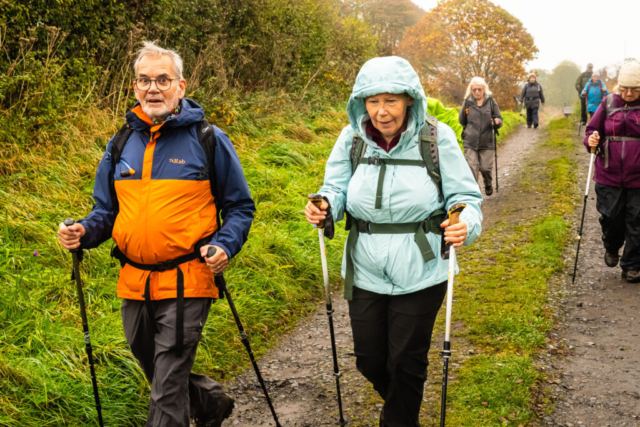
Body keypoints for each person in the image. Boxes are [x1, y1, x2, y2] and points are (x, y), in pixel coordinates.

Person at [57, 41, 256, 426]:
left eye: (163, 80)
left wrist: (224, 246)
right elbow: (106, 212)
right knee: (154, 364)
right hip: (135, 280)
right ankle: (209, 401)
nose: (153, 88)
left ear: (180, 86)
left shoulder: (208, 139)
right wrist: (83, 231)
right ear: (134, 88)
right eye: (144, 80)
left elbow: (239, 207)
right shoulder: (121, 144)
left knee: (165, 388)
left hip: (188, 279)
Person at [304, 56, 483, 427]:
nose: (381, 112)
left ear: (409, 100)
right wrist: (324, 206)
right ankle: (403, 407)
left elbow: (465, 197)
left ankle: (399, 418)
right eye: (372, 101)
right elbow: (335, 188)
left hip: (421, 266)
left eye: (390, 101)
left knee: (407, 360)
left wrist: (464, 222)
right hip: (365, 265)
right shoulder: (351, 138)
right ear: (361, 103)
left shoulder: (436, 137)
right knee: (369, 359)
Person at [585, 61, 640, 283]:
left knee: (637, 220)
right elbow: (592, 129)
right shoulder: (608, 104)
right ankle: (612, 245)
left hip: (638, 178)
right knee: (611, 217)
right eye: (625, 88)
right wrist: (591, 140)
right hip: (608, 174)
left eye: (634, 89)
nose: (628, 93)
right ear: (619, 86)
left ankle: (632, 265)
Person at [459, 76, 503, 196]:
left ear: (484, 89)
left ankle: (488, 183)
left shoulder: (491, 102)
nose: (477, 92)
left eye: (479, 89)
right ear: (471, 90)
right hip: (470, 141)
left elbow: (499, 118)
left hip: (486, 141)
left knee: (485, 169)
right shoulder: (467, 102)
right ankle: (475, 194)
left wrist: (497, 122)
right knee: (472, 169)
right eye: (474, 90)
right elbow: (461, 120)